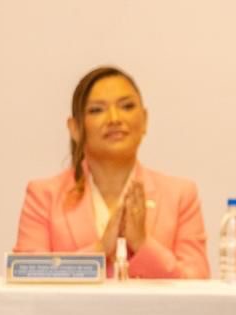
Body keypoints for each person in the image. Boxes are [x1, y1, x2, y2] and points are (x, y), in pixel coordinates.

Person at [14, 66, 209, 279]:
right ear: (75, 128)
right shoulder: (43, 196)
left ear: (144, 120)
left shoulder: (180, 195)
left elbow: (197, 281)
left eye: (126, 106)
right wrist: (100, 249)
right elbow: (26, 278)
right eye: (97, 110)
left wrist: (143, 244)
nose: (114, 118)